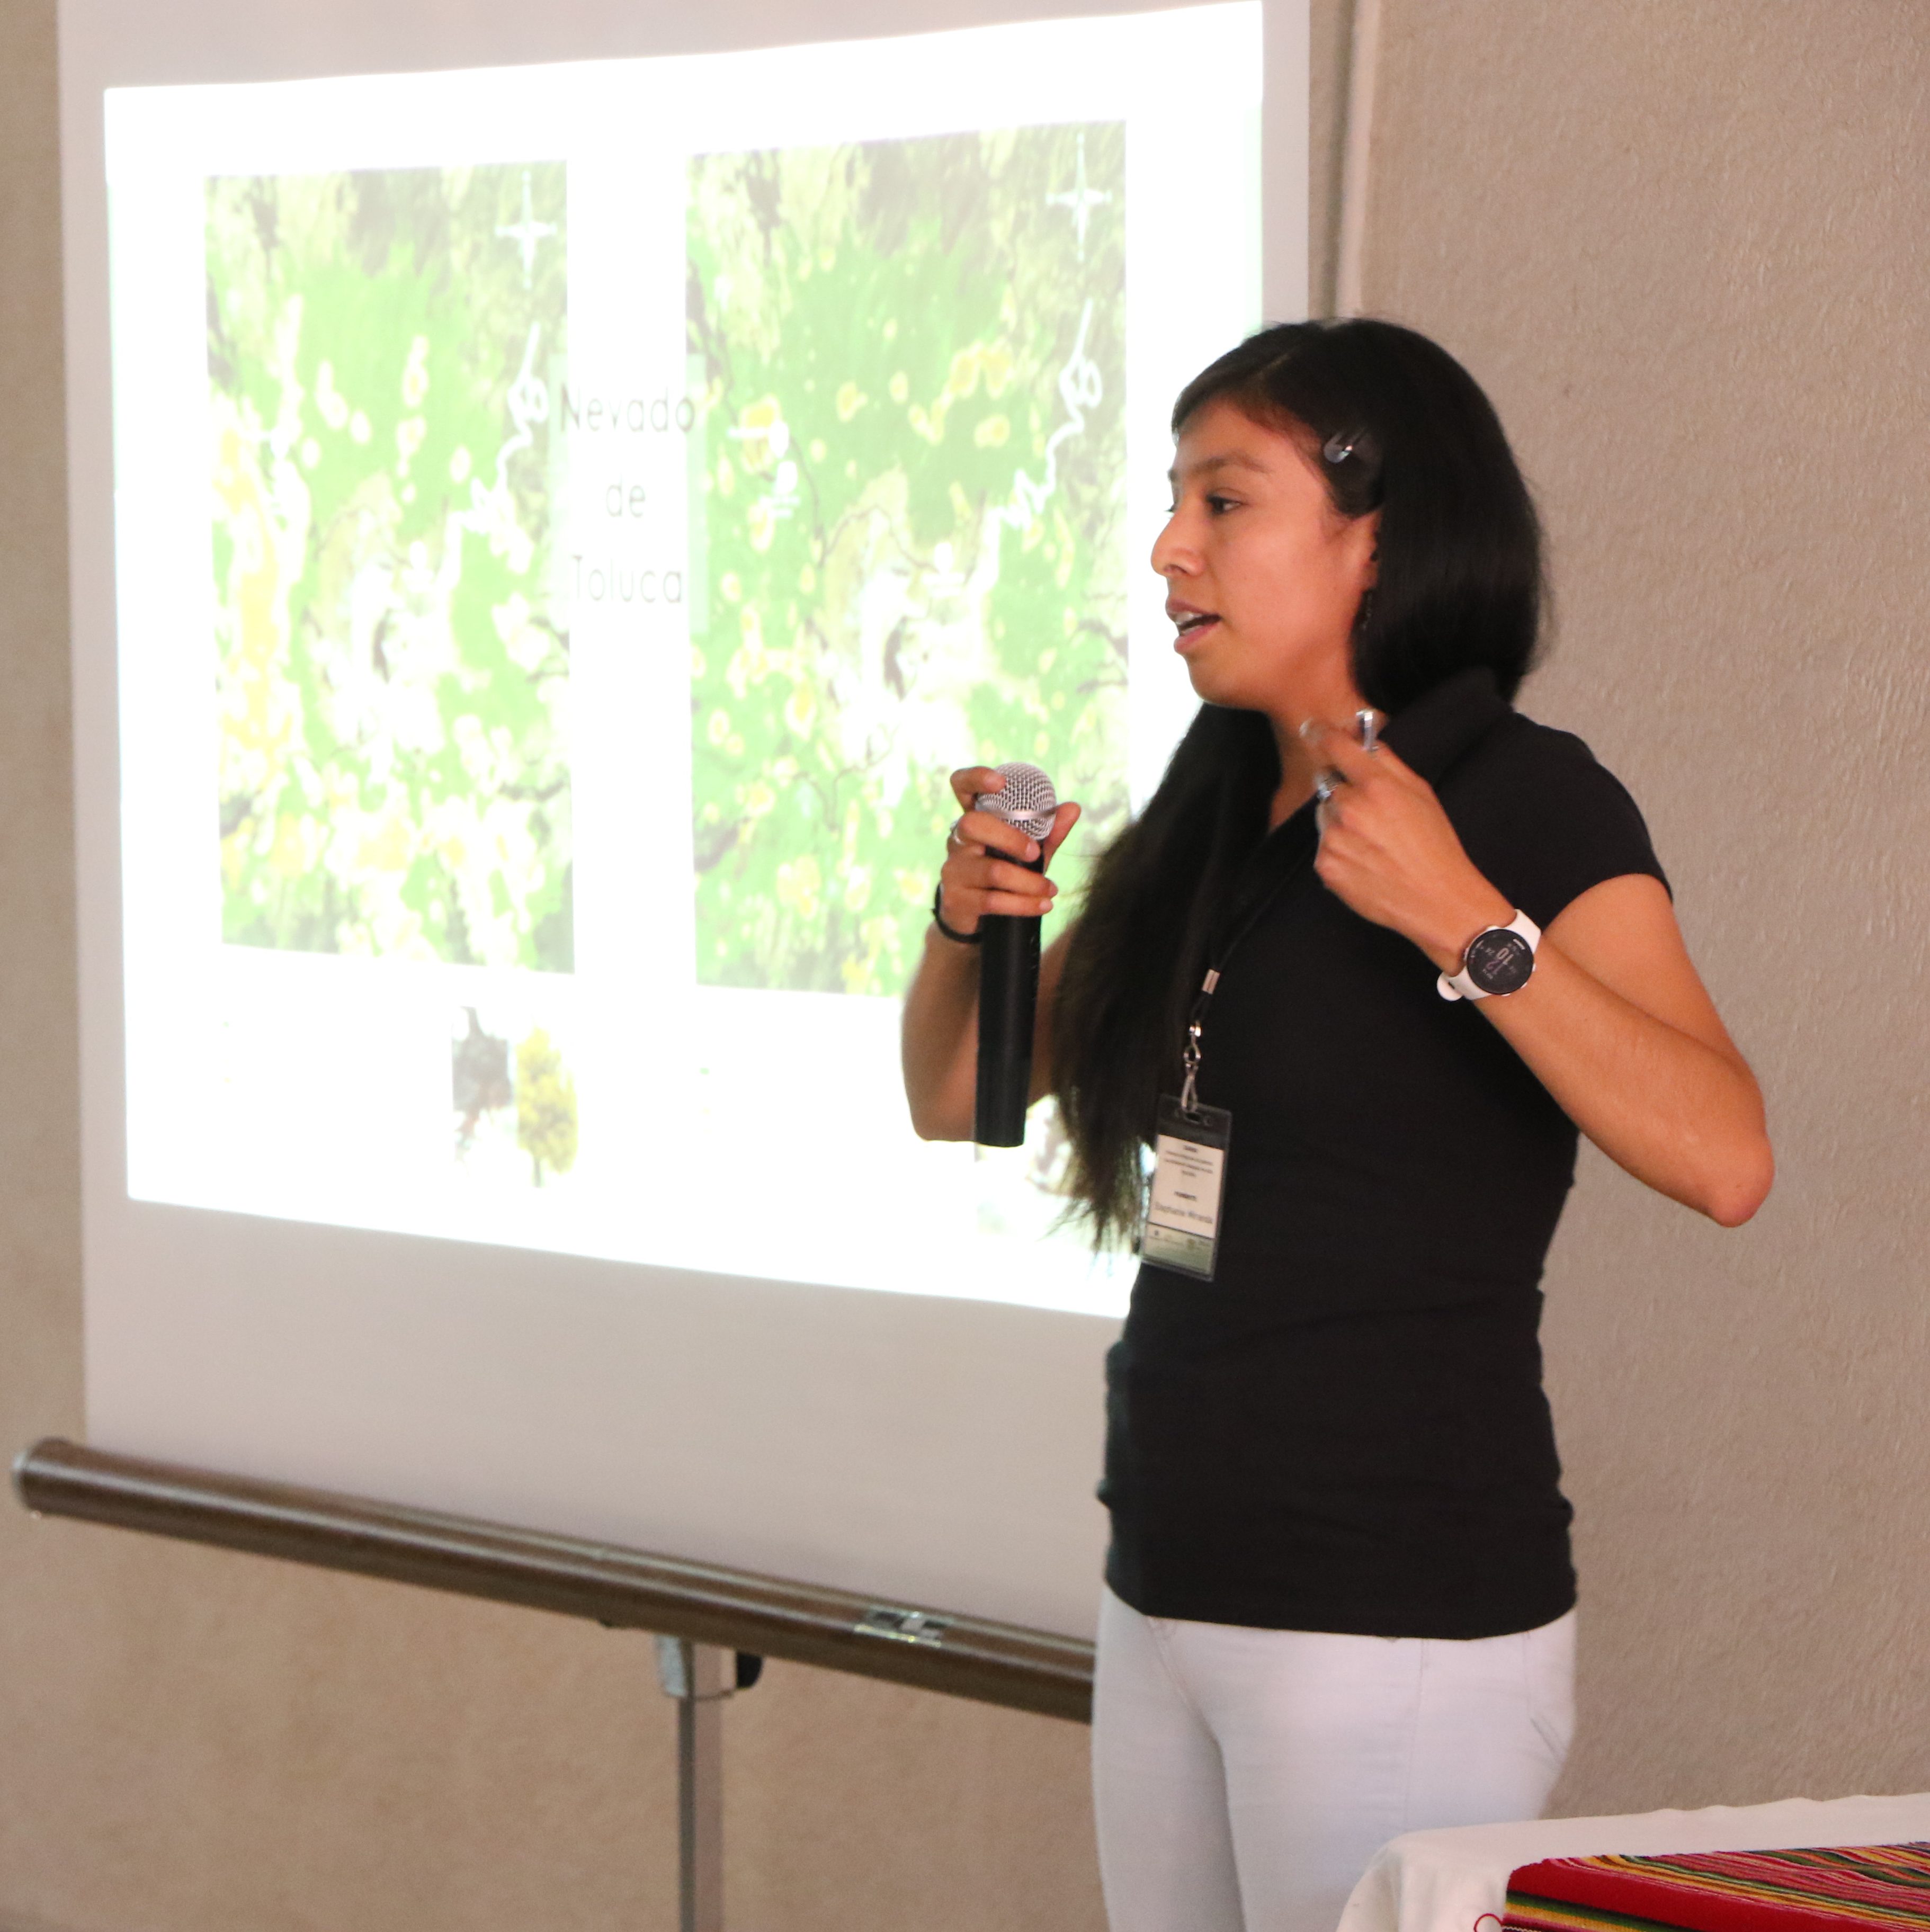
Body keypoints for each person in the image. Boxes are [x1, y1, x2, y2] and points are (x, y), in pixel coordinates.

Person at [899, 318, 1773, 1932]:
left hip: (1389, 1612)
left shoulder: (1519, 799)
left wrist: (1466, 920)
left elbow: (1723, 1156)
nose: (1168, 549)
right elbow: (957, 1093)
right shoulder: (1216, 802)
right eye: (1172, 499)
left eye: (1223, 501)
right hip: (1167, 1575)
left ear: (1378, 535)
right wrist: (969, 924)